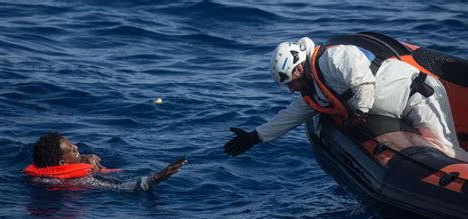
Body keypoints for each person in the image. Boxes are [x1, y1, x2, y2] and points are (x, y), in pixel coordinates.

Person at [224, 32, 467, 161]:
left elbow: (363, 81)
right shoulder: (318, 88)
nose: (292, 89)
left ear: (298, 68)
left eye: (291, 83)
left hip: (419, 97)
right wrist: (255, 137)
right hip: (398, 109)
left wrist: (359, 113)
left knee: (446, 151)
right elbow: (292, 115)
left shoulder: (334, 57)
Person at [25, 132, 187, 191]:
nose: (76, 146)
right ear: (62, 164)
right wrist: (156, 178)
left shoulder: (38, 175)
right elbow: (118, 187)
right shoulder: (80, 180)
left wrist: (82, 159)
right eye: (73, 150)